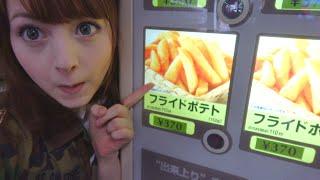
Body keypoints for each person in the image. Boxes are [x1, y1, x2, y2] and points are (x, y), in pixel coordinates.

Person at [0, 0, 153, 179]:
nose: (66, 63)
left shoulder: (117, 97)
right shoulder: (8, 133)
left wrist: (107, 161)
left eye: (85, 28)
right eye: (32, 33)